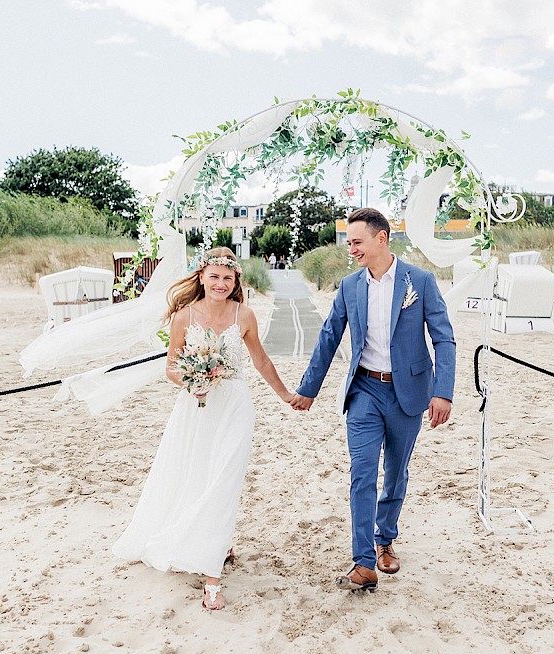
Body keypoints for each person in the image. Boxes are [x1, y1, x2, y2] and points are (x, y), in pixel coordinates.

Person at [113, 247, 295, 610]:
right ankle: (217, 541)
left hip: (235, 406)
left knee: (225, 479)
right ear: (201, 277)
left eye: (228, 278)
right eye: (214, 276)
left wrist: (285, 394)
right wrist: (189, 379)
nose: (221, 283)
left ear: (235, 281)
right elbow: (170, 367)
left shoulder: (244, 315)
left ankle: (212, 577)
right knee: (198, 475)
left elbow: (259, 359)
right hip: (196, 408)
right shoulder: (184, 316)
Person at [290, 207, 455, 592]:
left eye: (358, 242)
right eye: (349, 243)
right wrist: (307, 390)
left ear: (382, 239)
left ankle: (385, 539)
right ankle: (364, 562)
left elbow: (443, 338)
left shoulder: (422, 281)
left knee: (395, 472)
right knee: (362, 473)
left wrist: (442, 391)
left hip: (408, 393)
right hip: (364, 390)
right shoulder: (349, 287)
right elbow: (329, 337)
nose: (352, 249)